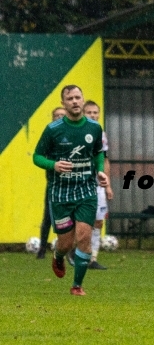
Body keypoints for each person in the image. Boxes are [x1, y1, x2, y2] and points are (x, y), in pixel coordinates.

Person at [33, 84, 108, 296]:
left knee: (84, 236)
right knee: (65, 243)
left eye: (78, 97)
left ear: (83, 100)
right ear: (63, 103)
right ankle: (58, 256)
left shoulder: (94, 128)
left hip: (86, 191)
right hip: (61, 194)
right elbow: (37, 156)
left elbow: (98, 152)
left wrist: (100, 171)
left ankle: (77, 286)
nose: (75, 101)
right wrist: (53, 165)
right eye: (70, 99)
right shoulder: (53, 130)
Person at [81, 100, 114, 269]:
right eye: (89, 112)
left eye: (95, 112)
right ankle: (78, 253)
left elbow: (105, 160)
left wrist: (107, 184)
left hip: (97, 184)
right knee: (81, 221)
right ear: (83, 113)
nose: (93, 115)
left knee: (98, 221)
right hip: (80, 183)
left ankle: (92, 258)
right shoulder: (79, 131)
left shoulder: (101, 134)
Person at [36, 107, 67, 259]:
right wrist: (53, 165)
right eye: (57, 115)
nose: (59, 117)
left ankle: (71, 250)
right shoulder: (50, 135)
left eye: (62, 115)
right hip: (54, 184)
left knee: (72, 218)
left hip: (73, 184)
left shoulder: (73, 134)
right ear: (52, 118)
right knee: (48, 217)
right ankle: (42, 248)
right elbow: (38, 157)